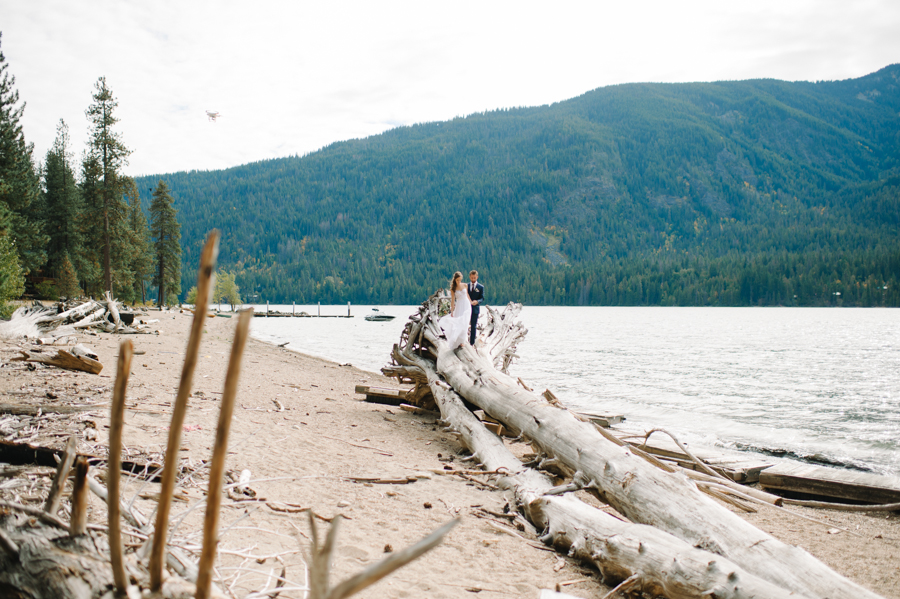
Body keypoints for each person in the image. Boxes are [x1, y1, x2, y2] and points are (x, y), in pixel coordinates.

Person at [438, 271, 472, 349]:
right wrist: (452, 311)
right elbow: (453, 300)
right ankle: (458, 341)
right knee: (458, 322)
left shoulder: (465, 285)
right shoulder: (453, 288)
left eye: (460, 280)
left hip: (466, 304)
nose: (459, 281)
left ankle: (463, 341)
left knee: (465, 321)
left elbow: (467, 295)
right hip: (459, 305)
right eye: (457, 280)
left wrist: (471, 302)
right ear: (455, 279)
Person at [467, 270, 484, 345]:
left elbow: (482, 298)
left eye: (474, 278)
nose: (473, 279)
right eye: (472, 278)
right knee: (465, 324)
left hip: (475, 308)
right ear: (469, 277)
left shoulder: (480, 287)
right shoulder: (466, 286)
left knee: (473, 326)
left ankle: (472, 343)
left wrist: (477, 302)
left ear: (477, 277)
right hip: (466, 308)